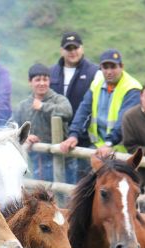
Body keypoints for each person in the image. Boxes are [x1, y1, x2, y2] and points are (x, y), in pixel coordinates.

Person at [59, 49, 141, 159]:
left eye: (113, 67)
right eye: (105, 67)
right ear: (100, 68)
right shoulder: (97, 82)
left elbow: (124, 120)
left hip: (122, 150)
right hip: (97, 147)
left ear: (121, 66)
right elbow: (84, 110)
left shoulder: (132, 88)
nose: (109, 71)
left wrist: (109, 143)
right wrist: (73, 135)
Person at [49, 31, 98, 180]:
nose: (72, 52)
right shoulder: (51, 72)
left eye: (75, 48)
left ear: (82, 48)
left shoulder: (94, 72)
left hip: (84, 138)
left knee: (81, 181)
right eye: (68, 48)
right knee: (55, 179)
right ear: (62, 50)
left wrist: (76, 132)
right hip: (56, 136)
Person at [13, 63, 72, 181]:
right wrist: (25, 136)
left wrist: (42, 106)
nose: (42, 83)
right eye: (37, 80)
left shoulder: (59, 99)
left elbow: (67, 112)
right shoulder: (23, 105)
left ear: (49, 81)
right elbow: (12, 126)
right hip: (33, 161)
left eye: (45, 79)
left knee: (62, 195)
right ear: (30, 82)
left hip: (61, 160)